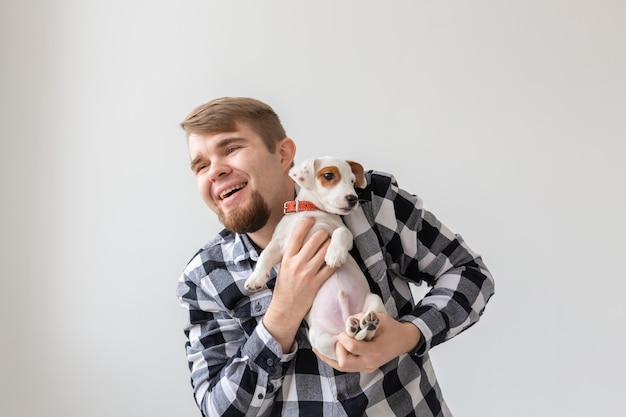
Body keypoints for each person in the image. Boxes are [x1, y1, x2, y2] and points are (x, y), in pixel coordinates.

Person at [176, 97, 495, 417]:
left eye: (230, 148)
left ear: (284, 154)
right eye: (201, 166)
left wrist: (408, 335)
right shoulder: (204, 278)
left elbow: (468, 273)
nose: (215, 170)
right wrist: (282, 315)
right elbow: (218, 410)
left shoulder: (369, 204)